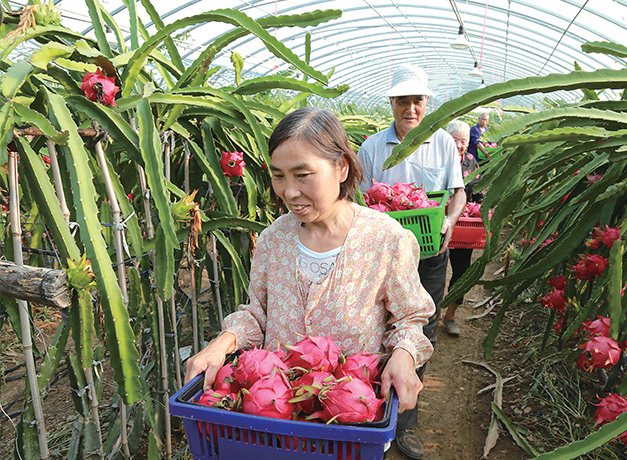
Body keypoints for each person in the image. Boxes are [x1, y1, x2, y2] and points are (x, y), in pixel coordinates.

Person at [184, 107, 435, 421]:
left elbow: (410, 318)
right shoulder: (273, 239)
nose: (289, 192)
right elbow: (257, 313)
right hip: (273, 415)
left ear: (341, 168)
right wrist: (222, 342)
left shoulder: (386, 240)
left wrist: (404, 354)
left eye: (303, 175)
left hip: (347, 419)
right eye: (278, 176)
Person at [357, 63, 466, 459]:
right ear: (392, 103)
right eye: (402, 100)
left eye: (417, 100)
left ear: (426, 102)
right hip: (380, 258)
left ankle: (405, 422)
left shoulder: (441, 143)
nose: (410, 108)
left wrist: (450, 221)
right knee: (377, 325)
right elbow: (358, 200)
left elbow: (457, 193)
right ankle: (367, 409)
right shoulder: (370, 147)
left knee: (420, 332)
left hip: (429, 255)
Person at [443, 120, 484, 337]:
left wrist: (481, 207)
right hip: (437, 225)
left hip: (464, 225)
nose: (459, 145)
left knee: (461, 272)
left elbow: (476, 194)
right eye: (455, 140)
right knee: (432, 270)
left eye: (463, 141)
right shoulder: (436, 159)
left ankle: (450, 315)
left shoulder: (471, 161)